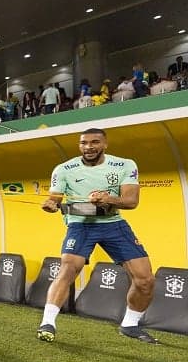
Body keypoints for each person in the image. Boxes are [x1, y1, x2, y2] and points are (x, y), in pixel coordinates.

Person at [36, 127, 157, 344]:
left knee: (145, 280)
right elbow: (55, 198)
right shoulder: (64, 169)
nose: (89, 147)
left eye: (94, 142)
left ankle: (129, 325)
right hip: (80, 225)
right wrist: (51, 204)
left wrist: (108, 199)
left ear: (105, 144)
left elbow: (131, 201)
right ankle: (47, 323)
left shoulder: (124, 165)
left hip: (113, 224)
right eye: (84, 143)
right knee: (68, 268)